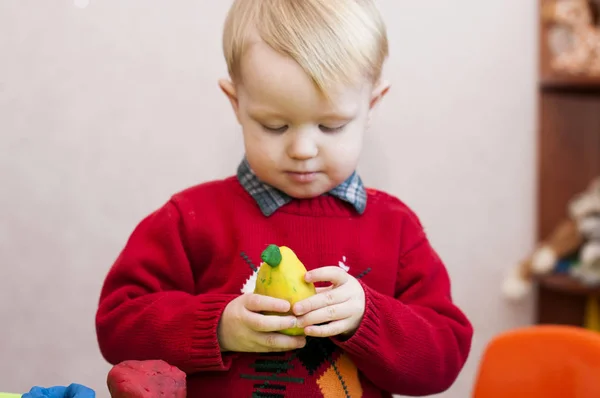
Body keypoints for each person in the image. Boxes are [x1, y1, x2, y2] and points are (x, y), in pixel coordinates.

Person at [95, 0, 473, 397]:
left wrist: (368, 317)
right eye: (275, 126)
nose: (303, 149)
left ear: (371, 106)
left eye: (331, 126)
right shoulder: (190, 219)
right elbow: (117, 327)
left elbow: (443, 358)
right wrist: (218, 326)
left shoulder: (395, 227)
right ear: (236, 103)